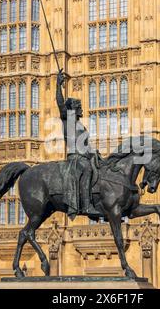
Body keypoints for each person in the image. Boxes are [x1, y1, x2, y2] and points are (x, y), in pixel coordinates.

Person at [56, 69, 100, 218]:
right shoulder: (67, 119)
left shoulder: (80, 124)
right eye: (78, 106)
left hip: (84, 156)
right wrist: (58, 85)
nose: (81, 108)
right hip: (75, 158)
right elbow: (61, 104)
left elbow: (86, 144)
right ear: (73, 109)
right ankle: (87, 206)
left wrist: (94, 153)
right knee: (87, 169)